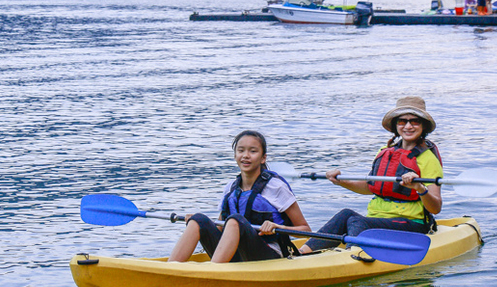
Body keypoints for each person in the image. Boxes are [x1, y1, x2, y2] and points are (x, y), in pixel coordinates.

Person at [298, 96, 443, 255]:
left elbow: (435, 208)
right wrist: (341, 181)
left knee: (357, 221)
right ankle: (301, 253)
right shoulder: (385, 152)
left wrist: (418, 187)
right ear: (396, 125)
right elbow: (371, 187)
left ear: (423, 126)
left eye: (415, 121)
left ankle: (352, 256)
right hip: (378, 220)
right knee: (345, 214)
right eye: (402, 121)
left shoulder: (428, 159)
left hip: (412, 224)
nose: (408, 126)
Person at [168, 130, 311, 263]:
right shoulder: (231, 187)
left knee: (236, 220)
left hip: (269, 255)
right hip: (235, 254)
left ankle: (213, 272)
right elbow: (220, 227)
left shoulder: (276, 187)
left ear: (263, 158)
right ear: (235, 155)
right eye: (241, 151)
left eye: (253, 151)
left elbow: (306, 230)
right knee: (198, 219)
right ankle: (171, 269)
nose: (246, 155)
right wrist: (200, 224)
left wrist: (277, 226)